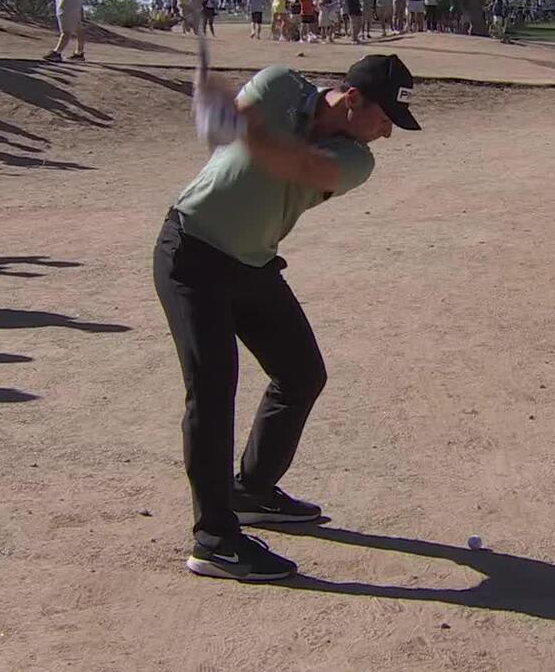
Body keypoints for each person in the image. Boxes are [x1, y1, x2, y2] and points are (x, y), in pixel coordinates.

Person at [155, 54, 422, 581]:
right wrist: (218, 113)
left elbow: (297, 165)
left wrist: (235, 123)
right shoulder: (278, 84)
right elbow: (233, 131)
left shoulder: (357, 159)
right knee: (212, 389)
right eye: (385, 117)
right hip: (191, 253)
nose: (388, 132)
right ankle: (215, 540)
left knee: (301, 374)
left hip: (252, 263)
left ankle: (252, 491)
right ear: (352, 99)